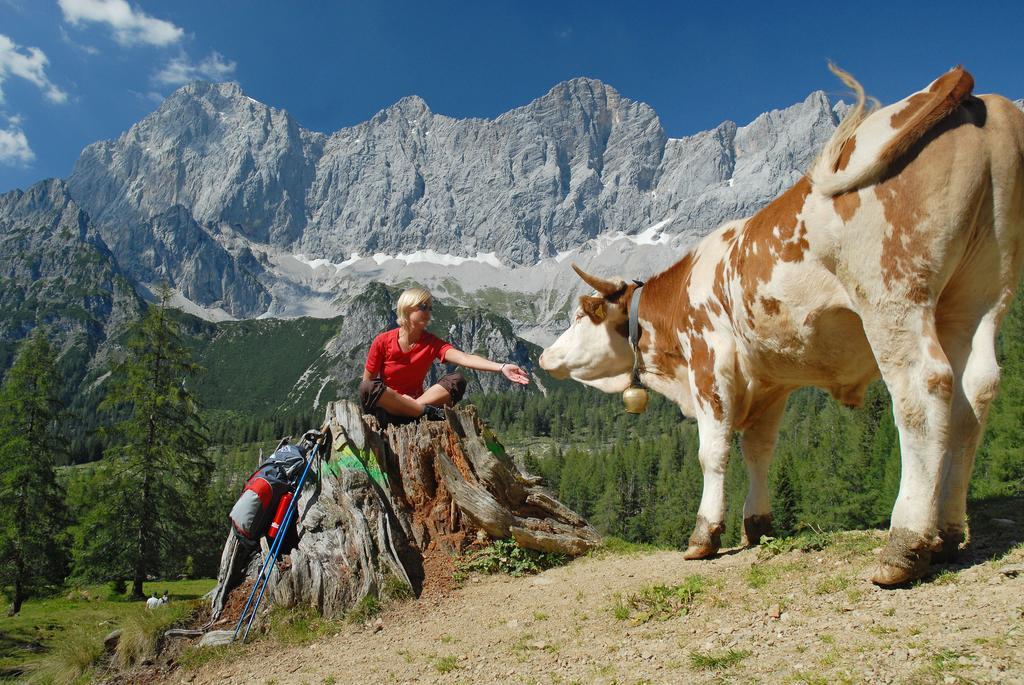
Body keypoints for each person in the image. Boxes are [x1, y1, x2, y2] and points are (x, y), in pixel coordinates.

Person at [359, 287, 529, 424]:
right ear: (406, 308)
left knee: (457, 380)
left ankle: (416, 409)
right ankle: (422, 412)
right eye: (423, 307)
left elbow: (465, 358)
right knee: (368, 387)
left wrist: (502, 367)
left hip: (418, 402)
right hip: (389, 408)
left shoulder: (431, 342)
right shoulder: (382, 341)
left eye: (430, 308)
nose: (428, 312)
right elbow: (368, 384)